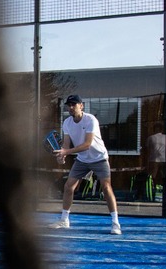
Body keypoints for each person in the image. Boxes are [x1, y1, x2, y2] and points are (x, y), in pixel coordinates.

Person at [50, 94, 122, 235]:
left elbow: (87, 144)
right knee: (68, 187)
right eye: (69, 105)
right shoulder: (67, 123)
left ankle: (115, 223)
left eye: (74, 104)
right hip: (82, 160)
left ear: (81, 106)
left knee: (106, 188)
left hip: (99, 158)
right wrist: (62, 156)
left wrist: (66, 151)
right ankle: (64, 220)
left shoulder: (91, 120)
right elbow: (66, 144)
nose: (71, 107)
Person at [144, 122, 166, 200]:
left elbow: (147, 150)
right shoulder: (165, 137)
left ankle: (152, 191)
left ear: (154, 129)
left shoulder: (151, 138)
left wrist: (147, 162)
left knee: (153, 177)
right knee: (163, 176)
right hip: (163, 159)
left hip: (153, 159)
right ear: (162, 129)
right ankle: (163, 190)